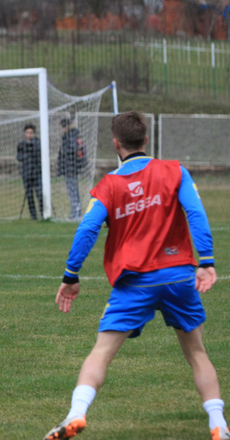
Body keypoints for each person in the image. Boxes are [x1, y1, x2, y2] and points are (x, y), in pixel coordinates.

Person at [44, 112, 227, 440]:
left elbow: (87, 228)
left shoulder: (109, 185)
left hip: (133, 282)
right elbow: (196, 213)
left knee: (101, 352)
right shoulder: (175, 171)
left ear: (115, 144)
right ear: (145, 140)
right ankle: (219, 426)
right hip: (177, 276)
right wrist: (207, 260)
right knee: (197, 353)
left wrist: (71, 275)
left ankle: (76, 414)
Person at [57, 118, 85, 220]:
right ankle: (76, 212)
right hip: (70, 168)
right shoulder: (72, 136)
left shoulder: (70, 137)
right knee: (73, 191)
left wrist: (65, 153)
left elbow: (73, 150)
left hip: (70, 168)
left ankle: (76, 214)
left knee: (73, 191)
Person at [17, 123, 42, 220]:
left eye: (31, 132)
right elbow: (18, 157)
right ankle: (33, 216)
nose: (29, 134)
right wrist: (25, 156)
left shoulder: (38, 143)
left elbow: (39, 154)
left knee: (40, 194)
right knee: (29, 195)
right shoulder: (21, 144)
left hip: (37, 172)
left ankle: (43, 213)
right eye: (27, 132)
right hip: (26, 172)